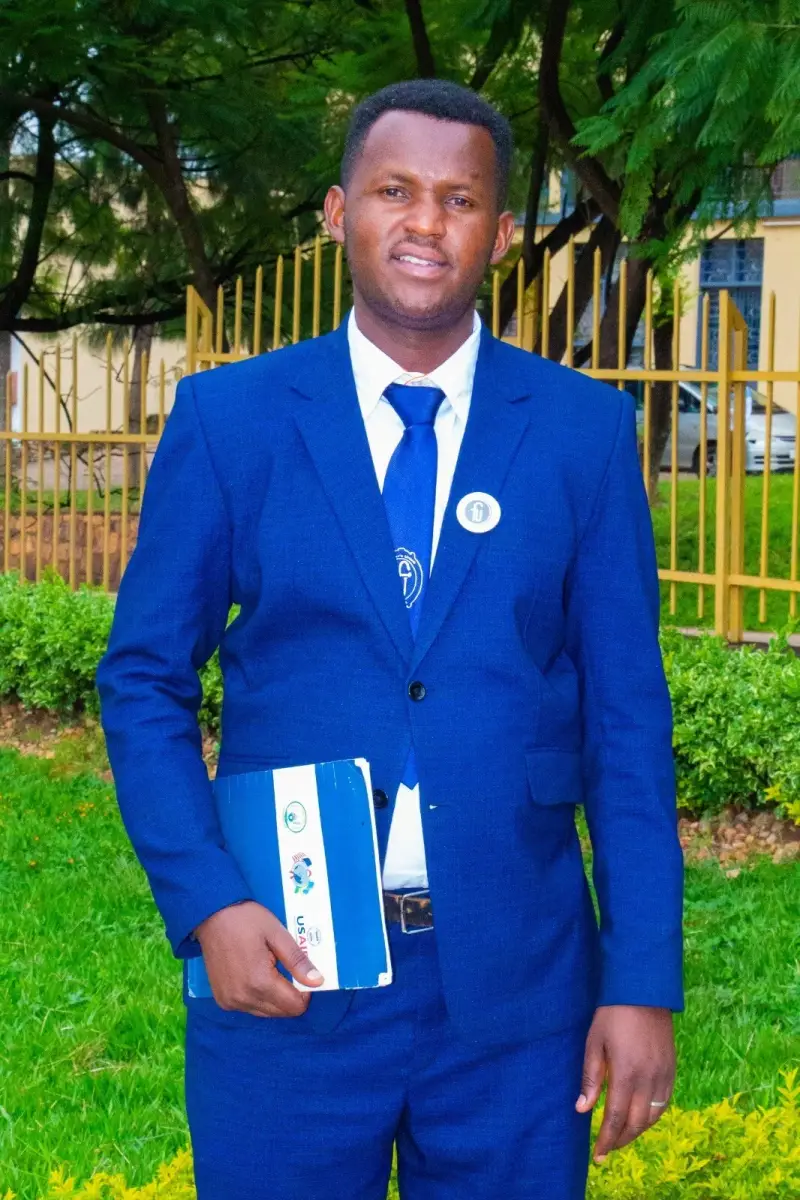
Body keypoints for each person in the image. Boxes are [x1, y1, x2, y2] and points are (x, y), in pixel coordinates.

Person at [96, 79, 684, 1200]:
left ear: (500, 234)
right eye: (393, 191)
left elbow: (625, 721)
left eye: (460, 200)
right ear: (337, 213)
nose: (425, 222)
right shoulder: (231, 421)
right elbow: (142, 680)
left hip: (518, 997)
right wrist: (209, 904)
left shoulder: (582, 432)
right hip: (285, 969)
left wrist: (641, 978)